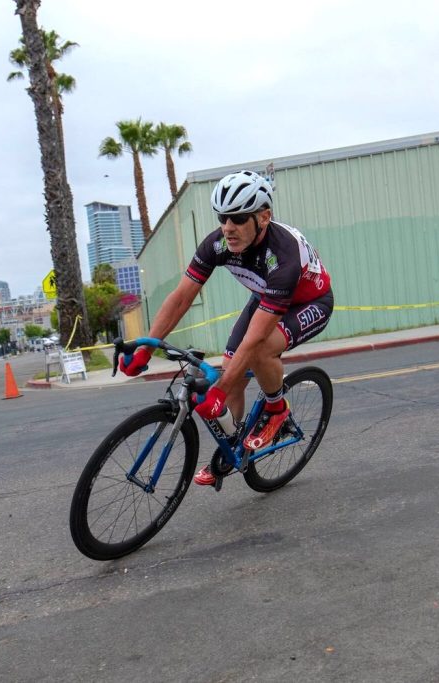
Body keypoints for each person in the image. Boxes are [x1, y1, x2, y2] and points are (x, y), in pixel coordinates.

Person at [117, 170, 334, 486]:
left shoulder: (282, 256)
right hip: (266, 296)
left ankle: (277, 410)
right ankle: (234, 447)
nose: (228, 227)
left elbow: (257, 337)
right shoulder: (217, 244)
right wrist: (146, 347)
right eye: (222, 217)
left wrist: (217, 391)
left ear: (263, 217)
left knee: (258, 352)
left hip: (310, 302)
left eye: (238, 218)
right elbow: (180, 299)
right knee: (231, 372)